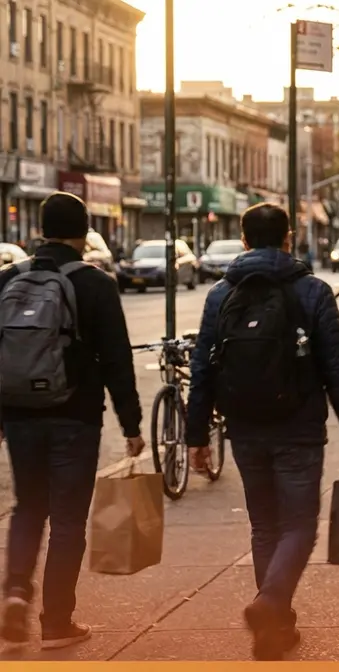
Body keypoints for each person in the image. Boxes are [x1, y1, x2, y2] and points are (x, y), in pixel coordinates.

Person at [184, 203, 339, 661]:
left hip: (244, 426)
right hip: (299, 426)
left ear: (244, 240)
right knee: (300, 527)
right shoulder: (313, 291)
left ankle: (275, 629)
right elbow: (337, 368)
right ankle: (270, 605)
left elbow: (203, 366)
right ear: (289, 238)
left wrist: (196, 437)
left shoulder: (219, 295)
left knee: (265, 525)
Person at [0, 192, 145, 649]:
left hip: (19, 414)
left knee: (27, 508)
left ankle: (15, 592)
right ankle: (56, 622)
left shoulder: (6, 280)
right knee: (66, 521)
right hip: (77, 417)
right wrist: (132, 424)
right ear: (84, 232)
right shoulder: (95, 283)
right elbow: (117, 360)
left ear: (41, 228)